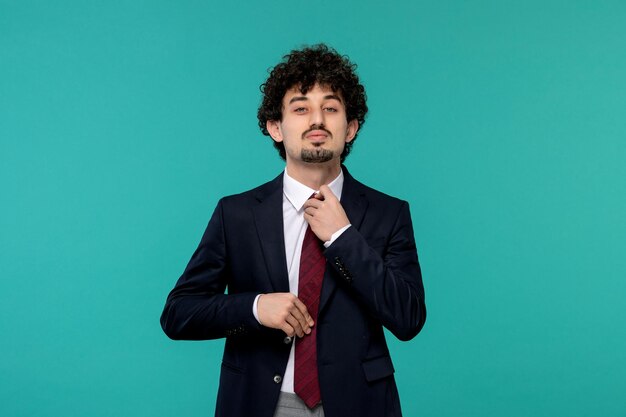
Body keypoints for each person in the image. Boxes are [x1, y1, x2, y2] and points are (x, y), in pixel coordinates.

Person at [160, 44, 426, 417]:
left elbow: (409, 317)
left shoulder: (389, 213)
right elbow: (178, 314)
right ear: (275, 127)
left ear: (350, 128)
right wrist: (255, 307)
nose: (316, 120)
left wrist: (343, 237)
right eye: (300, 108)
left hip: (357, 404)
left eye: (330, 108)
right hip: (259, 404)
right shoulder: (235, 214)